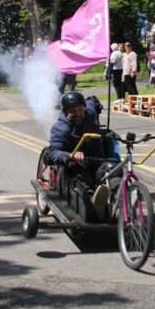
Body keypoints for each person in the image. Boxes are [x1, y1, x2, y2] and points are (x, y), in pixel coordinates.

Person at [47, 91, 109, 219]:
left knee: (113, 169)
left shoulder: (89, 113)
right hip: (78, 165)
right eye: (73, 111)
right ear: (65, 112)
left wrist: (95, 101)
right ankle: (94, 202)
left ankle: (121, 200)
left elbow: (92, 102)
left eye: (80, 109)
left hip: (97, 161)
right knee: (81, 176)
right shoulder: (60, 128)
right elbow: (53, 153)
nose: (78, 114)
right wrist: (71, 155)